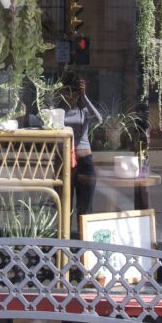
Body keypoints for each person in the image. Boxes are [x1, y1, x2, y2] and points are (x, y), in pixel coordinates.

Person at [60, 74, 101, 224]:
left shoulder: (83, 112)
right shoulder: (59, 112)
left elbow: (98, 119)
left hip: (84, 162)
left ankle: (84, 244)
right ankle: (64, 243)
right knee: (65, 205)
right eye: (68, 92)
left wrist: (85, 97)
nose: (72, 97)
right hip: (65, 161)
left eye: (75, 93)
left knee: (85, 206)